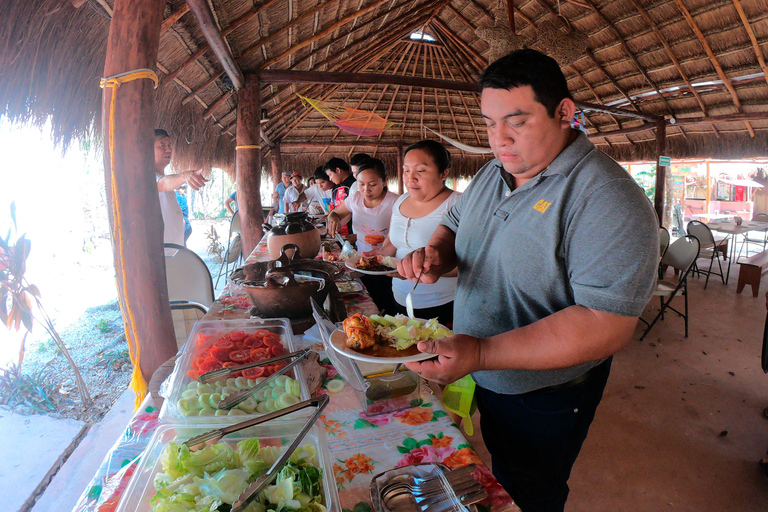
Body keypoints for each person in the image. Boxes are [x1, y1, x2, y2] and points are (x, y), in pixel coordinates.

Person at [398, 49, 658, 512]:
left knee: (528, 490)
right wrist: (437, 252)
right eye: (490, 123)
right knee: (492, 468)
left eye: (516, 121)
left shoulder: (607, 198)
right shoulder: (492, 173)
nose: (499, 139)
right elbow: (454, 223)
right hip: (480, 371)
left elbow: (606, 322)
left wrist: (482, 352)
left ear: (565, 113)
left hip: (546, 395)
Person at [373, 140, 460, 326]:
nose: (410, 178)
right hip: (398, 297)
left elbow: (472, 265)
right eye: (406, 170)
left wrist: (418, 269)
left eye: (420, 171)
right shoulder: (401, 201)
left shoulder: (459, 205)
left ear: (444, 173)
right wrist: (371, 261)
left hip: (443, 305)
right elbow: (390, 244)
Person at [327, 158, 399, 314]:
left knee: (385, 306)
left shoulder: (395, 202)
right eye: (361, 184)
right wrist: (333, 217)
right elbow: (336, 213)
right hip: (361, 263)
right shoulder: (355, 199)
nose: (366, 190)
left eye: (372, 185)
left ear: (385, 181)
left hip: (387, 268)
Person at [154, 129, 207, 246]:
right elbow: (162, 184)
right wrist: (184, 176)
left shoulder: (164, 179)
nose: (168, 149)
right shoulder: (147, 177)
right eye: (162, 145)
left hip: (173, 252)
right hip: (161, 255)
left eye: (169, 145)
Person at [324, 157, 356, 235]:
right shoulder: (335, 187)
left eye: (330, 175)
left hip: (353, 231)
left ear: (338, 170)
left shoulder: (354, 185)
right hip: (339, 230)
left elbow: (352, 210)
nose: (330, 179)